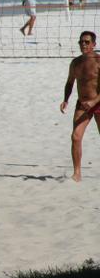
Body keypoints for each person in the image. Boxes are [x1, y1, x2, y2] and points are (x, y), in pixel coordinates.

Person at [60, 31, 100, 182]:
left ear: (94, 44)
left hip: (98, 102)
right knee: (75, 137)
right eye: (81, 42)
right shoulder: (75, 63)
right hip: (82, 104)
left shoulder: (98, 61)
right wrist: (65, 100)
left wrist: (94, 101)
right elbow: (70, 82)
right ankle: (77, 173)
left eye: (87, 42)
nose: (83, 44)